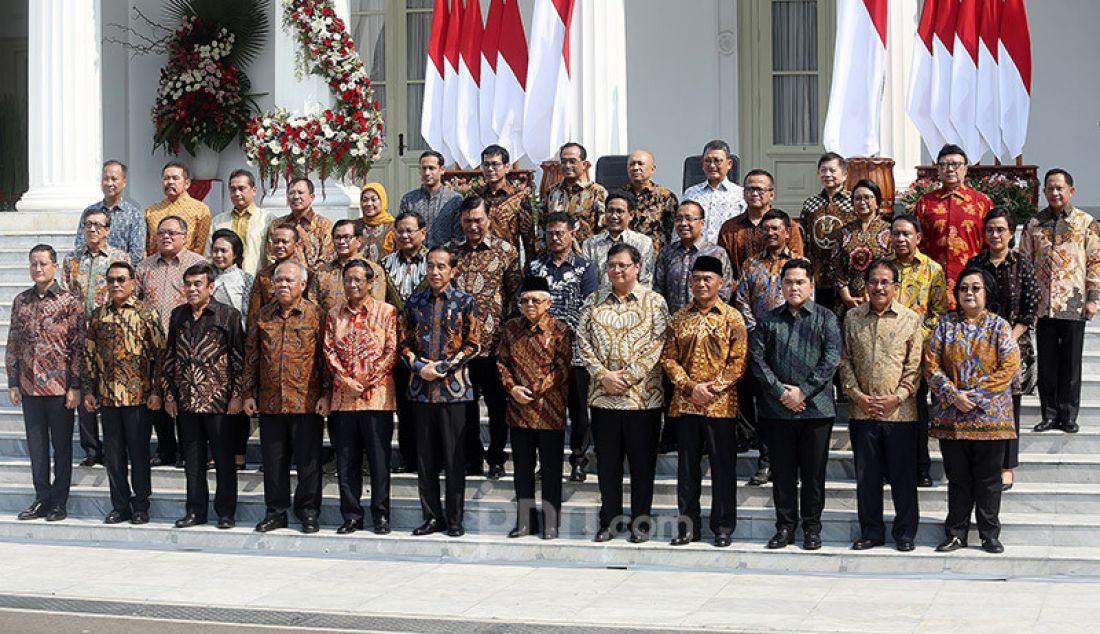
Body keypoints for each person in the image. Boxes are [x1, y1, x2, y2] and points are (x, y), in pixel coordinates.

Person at [577, 243, 670, 543]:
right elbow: (582, 340)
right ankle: (610, 522)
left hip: (642, 399)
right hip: (603, 397)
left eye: (623, 265)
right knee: (607, 466)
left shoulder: (655, 302)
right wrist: (603, 375)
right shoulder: (594, 301)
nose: (617, 270)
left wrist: (626, 378)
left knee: (642, 467)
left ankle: (641, 522)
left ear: (637, 267)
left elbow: (657, 344)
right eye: (612, 265)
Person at [750, 258, 841, 551]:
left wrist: (803, 392)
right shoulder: (767, 320)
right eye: (788, 282)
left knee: (814, 475)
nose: (794, 287)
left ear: (811, 286)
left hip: (817, 411)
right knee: (783, 474)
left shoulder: (826, 318)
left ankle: (812, 528)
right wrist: (782, 393)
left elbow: (831, 360)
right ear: (781, 286)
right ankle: (785, 527)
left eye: (800, 282)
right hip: (777, 412)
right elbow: (758, 361)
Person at [926, 267, 1020, 554]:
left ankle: (989, 534)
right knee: (958, 479)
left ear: (986, 292)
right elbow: (931, 364)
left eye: (976, 288)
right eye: (964, 288)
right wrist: (954, 396)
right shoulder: (944, 324)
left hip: (990, 417)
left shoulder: (999, 326)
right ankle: (956, 533)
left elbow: (1009, 366)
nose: (969, 293)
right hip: (952, 417)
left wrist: (976, 397)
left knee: (989, 480)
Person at [660, 255, 747, 548]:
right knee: (687, 470)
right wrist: (689, 386)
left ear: (720, 283)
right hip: (685, 405)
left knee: (723, 469)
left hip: (721, 405)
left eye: (707, 279)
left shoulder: (732, 318)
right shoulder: (678, 317)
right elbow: (668, 358)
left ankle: (722, 527)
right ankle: (688, 526)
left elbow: (739, 362)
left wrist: (712, 388)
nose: (701, 284)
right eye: (696, 278)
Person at [838, 259, 923, 552]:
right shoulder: (852, 318)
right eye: (873, 281)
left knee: (903, 476)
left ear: (896, 287)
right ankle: (871, 531)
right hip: (862, 411)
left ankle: (905, 532)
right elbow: (844, 361)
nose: (878, 287)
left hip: (900, 413)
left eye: (885, 282)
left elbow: (914, 368)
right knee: (867, 477)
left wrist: (896, 397)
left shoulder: (910, 320)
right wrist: (858, 396)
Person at [399, 245, 482, 538]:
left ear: (452, 270)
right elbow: (403, 343)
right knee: (426, 459)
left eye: (441, 267)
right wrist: (419, 366)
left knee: (454, 458)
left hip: (454, 392)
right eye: (431, 266)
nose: (435, 272)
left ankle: (455, 518)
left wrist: (444, 367)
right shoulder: (415, 302)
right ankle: (431, 516)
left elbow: (473, 344)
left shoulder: (464, 302)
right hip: (421, 390)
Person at [243, 260, 331, 534]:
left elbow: (325, 358)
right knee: (273, 462)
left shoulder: (317, 314)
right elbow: (252, 357)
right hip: (271, 401)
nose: (282, 284)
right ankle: (276, 512)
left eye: (289, 280)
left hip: (306, 400)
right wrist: (247, 392)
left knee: (308, 461)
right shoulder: (263, 314)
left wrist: (327, 394)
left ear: (302, 285)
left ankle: (308, 511)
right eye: (278, 280)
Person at [82, 261, 165, 525]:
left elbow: (160, 355)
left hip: (138, 397)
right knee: (114, 456)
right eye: (111, 280)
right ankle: (120, 505)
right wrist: (89, 389)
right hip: (107, 397)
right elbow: (90, 354)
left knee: (139, 453)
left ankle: (141, 504)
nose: (115, 285)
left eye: (121, 280)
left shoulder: (146, 313)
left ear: (132, 283)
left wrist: (156, 391)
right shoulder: (98, 315)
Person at [163, 263, 244, 530]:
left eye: (198, 284)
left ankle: (225, 512)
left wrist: (237, 395)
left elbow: (238, 358)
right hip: (186, 400)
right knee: (193, 462)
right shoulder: (178, 316)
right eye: (189, 284)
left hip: (218, 401)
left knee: (223, 459)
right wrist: (170, 394)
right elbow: (170, 357)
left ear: (211, 287)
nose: (193, 289)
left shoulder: (227, 315)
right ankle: (195, 511)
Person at [7, 245, 85, 523]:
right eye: (33, 264)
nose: (37, 269)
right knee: (37, 447)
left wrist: (75, 385)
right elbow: (14, 342)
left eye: (43, 264)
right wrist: (13, 381)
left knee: (61, 447)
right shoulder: (21, 301)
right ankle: (41, 498)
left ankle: (58, 502)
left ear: (55, 266)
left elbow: (77, 346)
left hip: (59, 387)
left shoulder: (70, 301)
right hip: (29, 386)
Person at [1021, 168, 1100, 435]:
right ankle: (1049, 414)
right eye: (1050, 188)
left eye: (1060, 188)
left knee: (1071, 364)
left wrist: (1093, 299)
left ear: (1071, 191)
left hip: (1073, 304)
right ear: (1044, 192)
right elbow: (1025, 264)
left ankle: (1068, 415)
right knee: (1048, 364)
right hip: (1043, 306)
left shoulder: (1086, 222)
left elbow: (1095, 263)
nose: (1055, 193)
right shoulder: (1034, 224)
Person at [966, 207, 1039, 490]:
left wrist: (1006, 337)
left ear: (1011, 233)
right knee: (978, 403)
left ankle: (1007, 465)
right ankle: (979, 461)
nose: (995, 235)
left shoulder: (1023, 264)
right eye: (990, 230)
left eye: (1001, 230)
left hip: (1012, 344)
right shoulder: (975, 263)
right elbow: (966, 300)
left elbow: (1030, 310)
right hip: (976, 345)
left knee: (1009, 407)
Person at [323, 260, 398, 535]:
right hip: (343, 400)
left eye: (358, 280)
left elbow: (391, 349)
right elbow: (329, 350)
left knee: (379, 461)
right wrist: (346, 381)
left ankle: (381, 515)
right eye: (348, 280)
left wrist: (365, 381)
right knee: (346, 461)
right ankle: (352, 516)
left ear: (370, 283)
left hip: (377, 399)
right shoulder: (334, 314)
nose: (352, 285)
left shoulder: (386, 311)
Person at [450, 196, 522, 479]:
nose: (473, 226)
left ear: (488, 219)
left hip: (494, 345)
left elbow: (515, 296)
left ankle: (496, 457)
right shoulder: (452, 252)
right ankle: (471, 457)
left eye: (478, 220)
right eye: (468, 221)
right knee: (464, 407)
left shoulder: (506, 252)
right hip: (459, 348)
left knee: (496, 406)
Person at [525, 212, 599, 482]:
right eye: (550, 233)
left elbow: (590, 307)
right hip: (542, 353)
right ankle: (548, 462)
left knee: (578, 410)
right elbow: (527, 306)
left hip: (576, 352)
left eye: (560, 233)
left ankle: (579, 460)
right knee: (547, 411)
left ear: (572, 234)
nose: (555, 238)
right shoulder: (534, 268)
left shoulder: (584, 267)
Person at [497, 276, 572, 540]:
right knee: (522, 471)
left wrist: (536, 389)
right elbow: (502, 362)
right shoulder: (510, 329)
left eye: (536, 300)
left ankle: (551, 523)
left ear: (548, 303)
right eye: (525, 300)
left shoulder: (561, 330)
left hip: (548, 410)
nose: (530, 305)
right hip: (518, 411)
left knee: (551, 470)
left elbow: (563, 368)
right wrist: (512, 388)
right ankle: (525, 521)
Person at [733, 209, 801, 486]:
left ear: (787, 232)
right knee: (764, 407)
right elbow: (741, 300)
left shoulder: (800, 264)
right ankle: (765, 462)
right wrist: (756, 333)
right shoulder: (751, 265)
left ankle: (790, 464)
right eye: (767, 228)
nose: (771, 233)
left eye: (777, 228)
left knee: (789, 406)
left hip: (791, 345)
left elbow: (806, 302)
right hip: (758, 345)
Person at [135, 215, 207, 469]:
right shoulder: (144, 267)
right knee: (157, 398)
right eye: (161, 232)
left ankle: (190, 451)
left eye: (172, 233)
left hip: (188, 344)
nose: (166, 237)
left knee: (186, 399)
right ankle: (166, 449)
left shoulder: (197, 263)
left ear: (184, 237)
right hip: (154, 345)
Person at [62, 208, 129, 467]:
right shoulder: (72, 260)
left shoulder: (118, 257)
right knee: (84, 385)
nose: (92, 229)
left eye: (98, 225)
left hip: (110, 331)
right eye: (88, 224)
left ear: (108, 229)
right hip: (80, 333)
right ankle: (91, 448)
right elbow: (67, 294)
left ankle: (117, 445)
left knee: (111, 387)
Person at [889, 214, 949, 488]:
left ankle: (921, 467)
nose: (901, 239)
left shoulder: (933, 269)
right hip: (887, 351)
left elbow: (938, 312)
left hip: (919, 352)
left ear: (918, 238)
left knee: (918, 411)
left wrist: (915, 336)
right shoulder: (883, 270)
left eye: (906, 234)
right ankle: (892, 466)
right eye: (896, 234)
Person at [381, 211, 430, 473]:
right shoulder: (384, 265)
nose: (405, 235)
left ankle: (432, 457)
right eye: (400, 230)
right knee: (403, 405)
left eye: (410, 230)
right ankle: (408, 457)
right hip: (396, 347)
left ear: (423, 232)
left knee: (428, 406)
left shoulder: (435, 262)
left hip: (428, 347)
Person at [914, 144, 992, 307]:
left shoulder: (981, 202)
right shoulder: (926, 202)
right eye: (944, 165)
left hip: (971, 284)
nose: (949, 169)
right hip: (933, 282)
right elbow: (917, 243)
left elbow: (990, 243)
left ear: (965, 169)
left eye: (955, 165)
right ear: (938, 170)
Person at [209, 229, 255, 471]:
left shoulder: (246, 279)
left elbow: (248, 313)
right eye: (215, 250)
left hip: (237, 346)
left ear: (235, 253)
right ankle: (217, 451)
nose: (218, 255)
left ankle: (239, 451)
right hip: (210, 351)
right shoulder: (205, 278)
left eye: (224, 250)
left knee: (237, 401)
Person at [718, 169, 805, 280]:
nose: (754, 193)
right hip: (739, 293)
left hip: (782, 293)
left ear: (771, 194)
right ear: (743, 193)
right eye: (750, 189)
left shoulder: (788, 226)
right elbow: (723, 268)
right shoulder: (729, 228)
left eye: (760, 189)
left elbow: (798, 264)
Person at [654, 200, 733, 316]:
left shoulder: (716, 253)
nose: (683, 223)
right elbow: (658, 290)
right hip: (672, 324)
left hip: (706, 324)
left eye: (689, 219)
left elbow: (724, 291)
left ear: (702, 223)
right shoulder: (667, 253)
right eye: (678, 219)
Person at [827, 179, 892, 318]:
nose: (862, 202)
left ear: (877, 202)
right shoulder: (843, 232)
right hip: (848, 303)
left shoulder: (889, 231)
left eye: (867, 197)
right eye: (857, 198)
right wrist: (847, 298)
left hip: (881, 299)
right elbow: (835, 267)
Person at [800, 153, 854, 312]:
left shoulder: (853, 201)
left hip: (845, 272)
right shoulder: (811, 203)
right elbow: (803, 234)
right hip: (817, 271)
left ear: (844, 174)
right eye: (823, 170)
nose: (827, 174)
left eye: (832, 170)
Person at [311, 219, 393, 313]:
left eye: (347, 237)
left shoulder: (373, 270)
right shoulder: (322, 271)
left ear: (359, 240)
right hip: (329, 325)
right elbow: (313, 303)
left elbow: (377, 306)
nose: (341, 241)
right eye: (337, 237)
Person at [581, 191, 655, 291]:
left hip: (633, 303)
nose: (614, 216)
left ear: (631, 215)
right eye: (610, 211)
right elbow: (587, 282)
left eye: (619, 211)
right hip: (598, 303)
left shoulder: (643, 243)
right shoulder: (590, 244)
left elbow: (646, 282)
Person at [540, 142, 607, 248]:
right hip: (556, 257)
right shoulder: (552, 193)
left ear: (584, 165)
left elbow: (604, 229)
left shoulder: (597, 192)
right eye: (564, 162)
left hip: (586, 256)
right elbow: (542, 226)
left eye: (572, 161)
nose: (567, 166)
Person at [76, 160, 144, 264]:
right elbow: (80, 243)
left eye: (114, 179)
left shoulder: (134, 214)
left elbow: (137, 252)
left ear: (124, 182)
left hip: (120, 275)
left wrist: (119, 271)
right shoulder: (89, 212)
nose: (109, 183)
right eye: (106, 179)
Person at [476, 144, 536, 261]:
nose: (490, 169)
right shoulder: (475, 196)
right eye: (486, 164)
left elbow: (529, 240)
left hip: (509, 264)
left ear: (506, 167)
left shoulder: (518, 197)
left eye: (495, 164)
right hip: (480, 263)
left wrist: (530, 269)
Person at [209, 168, 273, 276]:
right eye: (233, 189)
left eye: (241, 188)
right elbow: (209, 256)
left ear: (254, 190)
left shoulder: (267, 219)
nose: (237, 193)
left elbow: (272, 257)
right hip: (224, 283)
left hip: (256, 282)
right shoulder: (218, 221)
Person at [682, 139, 746, 244]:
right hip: (696, 256)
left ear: (729, 164)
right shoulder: (691, 193)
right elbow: (681, 226)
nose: (712, 165)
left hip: (728, 255)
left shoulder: (740, 195)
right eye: (707, 161)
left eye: (717, 160)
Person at [264, 177, 334, 271]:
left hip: (315, 280)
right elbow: (271, 257)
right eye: (292, 193)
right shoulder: (277, 225)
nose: (296, 197)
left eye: (301, 193)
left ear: (311, 197)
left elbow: (326, 258)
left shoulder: (324, 225)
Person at [398, 150, 463, 248]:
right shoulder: (409, 200)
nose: (427, 173)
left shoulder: (454, 200)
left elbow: (459, 236)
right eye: (424, 168)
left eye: (431, 168)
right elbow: (402, 230)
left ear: (442, 170)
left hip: (445, 258)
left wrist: (438, 253)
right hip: (414, 257)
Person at [144, 161, 211, 256]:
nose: (170, 182)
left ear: (187, 183)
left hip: (188, 266)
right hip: (155, 266)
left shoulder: (201, 210)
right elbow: (146, 246)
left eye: (175, 178)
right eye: (166, 178)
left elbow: (200, 247)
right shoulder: (151, 211)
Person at [622, 149, 678, 255]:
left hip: (654, 259)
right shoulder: (620, 196)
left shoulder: (665, 197)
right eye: (632, 164)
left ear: (653, 169)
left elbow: (673, 233)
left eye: (640, 164)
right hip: (625, 260)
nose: (635, 168)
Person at [249, 222, 308, 323]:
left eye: (285, 242)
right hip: (269, 329)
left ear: (296, 244)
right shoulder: (263, 275)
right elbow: (254, 312)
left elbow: (313, 309)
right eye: (276, 242)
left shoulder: (306, 273)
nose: (280, 246)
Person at [356, 182, 396, 262]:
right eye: (365, 200)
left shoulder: (394, 227)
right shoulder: (354, 225)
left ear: (382, 201)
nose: (369, 204)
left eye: (373, 199)